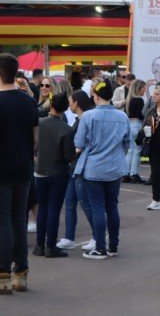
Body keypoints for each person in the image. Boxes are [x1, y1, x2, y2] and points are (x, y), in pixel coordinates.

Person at [73, 80, 129, 260]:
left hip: (94, 167)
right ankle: (113, 245)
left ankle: (100, 247)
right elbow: (127, 143)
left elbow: (79, 143)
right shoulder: (123, 117)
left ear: (96, 96)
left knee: (97, 206)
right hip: (115, 166)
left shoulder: (89, 116)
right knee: (112, 206)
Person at [0, 54, 39, 294]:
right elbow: (35, 139)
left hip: (1, 169)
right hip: (23, 168)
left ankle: (3, 274)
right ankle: (20, 274)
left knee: (2, 220)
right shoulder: (28, 102)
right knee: (19, 220)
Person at [32, 92, 74, 258]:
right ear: (65, 108)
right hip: (58, 172)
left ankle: (39, 245)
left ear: (51, 105)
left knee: (42, 207)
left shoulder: (40, 123)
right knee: (54, 209)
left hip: (40, 170)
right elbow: (69, 156)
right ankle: (51, 246)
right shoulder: (66, 129)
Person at [56, 90, 94, 251]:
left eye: (71, 101)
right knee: (70, 202)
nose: (69, 104)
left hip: (81, 167)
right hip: (74, 167)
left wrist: (72, 152)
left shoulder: (85, 119)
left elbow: (83, 143)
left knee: (85, 203)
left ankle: (97, 236)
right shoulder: (81, 119)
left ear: (76, 103)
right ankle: (69, 237)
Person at [123, 80, 146, 184]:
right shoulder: (139, 100)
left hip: (130, 124)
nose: (145, 90)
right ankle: (134, 173)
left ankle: (126, 173)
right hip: (137, 124)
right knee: (137, 150)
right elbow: (140, 115)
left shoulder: (129, 100)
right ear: (139, 89)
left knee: (130, 150)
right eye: (143, 88)